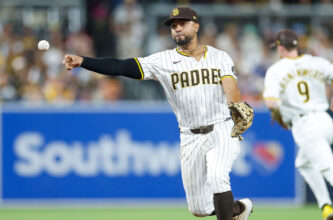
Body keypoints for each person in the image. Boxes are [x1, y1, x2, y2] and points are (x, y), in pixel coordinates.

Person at [62, 6, 253, 220]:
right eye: (174, 26)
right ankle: (238, 209)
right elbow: (122, 66)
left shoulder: (219, 57)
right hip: (190, 137)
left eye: (183, 24)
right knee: (199, 209)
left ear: (196, 25)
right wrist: (84, 61)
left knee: (218, 178)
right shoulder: (162, 61)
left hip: (221, 128)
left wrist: (235, 105)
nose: (177, 28)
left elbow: (231, 87)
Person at [263, 29, 333, 220]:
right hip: (325, 121)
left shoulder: (276, 70)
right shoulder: (315, 62)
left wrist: (279, 117)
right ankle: (326, 208)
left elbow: (272, 103)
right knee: (304, 163)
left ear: (281, 48)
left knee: (330, 170)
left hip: (305, 124)